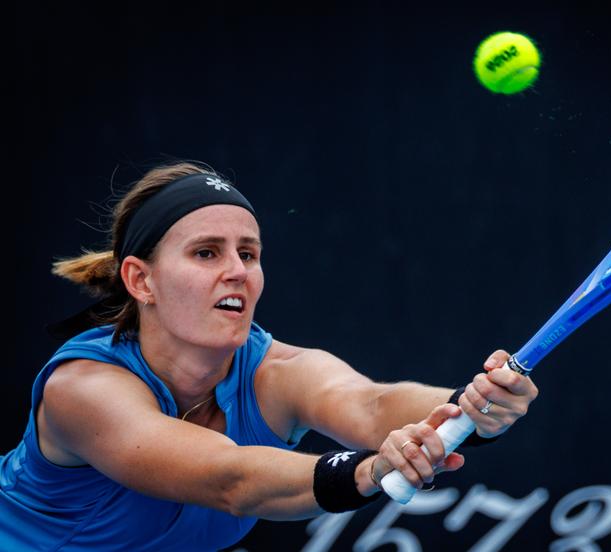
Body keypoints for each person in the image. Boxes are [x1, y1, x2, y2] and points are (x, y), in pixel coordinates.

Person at [0, 161, 539, 551]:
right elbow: (228, 479)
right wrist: (370, 470)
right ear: (141, 280)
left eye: (249, 253)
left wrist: (471, 404)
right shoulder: (83, 390)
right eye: (206, 252)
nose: (237, 269)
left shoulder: (277, 373)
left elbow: (373, 405)